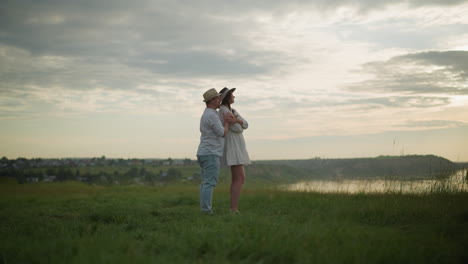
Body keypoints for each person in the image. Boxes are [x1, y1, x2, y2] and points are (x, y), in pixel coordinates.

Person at [197, 88, 234, 214]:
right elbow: (222, 133)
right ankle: (206, 211)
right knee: (209, 183)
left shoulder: (206, 113)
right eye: (218, 98)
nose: (220, 100)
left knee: (205, 183)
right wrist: (227, 123)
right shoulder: (212, 115)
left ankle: (204, 209)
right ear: (212, 100)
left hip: (204, 152)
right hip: (211, 153)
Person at [218, 87, 250, 213]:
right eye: (232, 95)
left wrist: (237, 120)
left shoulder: (233, 110)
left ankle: (234, 207)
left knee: (240, 178)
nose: (234, 97)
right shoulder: (224, 110)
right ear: (227, 97)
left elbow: (246, 124)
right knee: (239, 178)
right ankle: (233, 208)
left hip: (237, 145)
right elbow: (238, 129)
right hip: (233, 145)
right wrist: (238, 122)